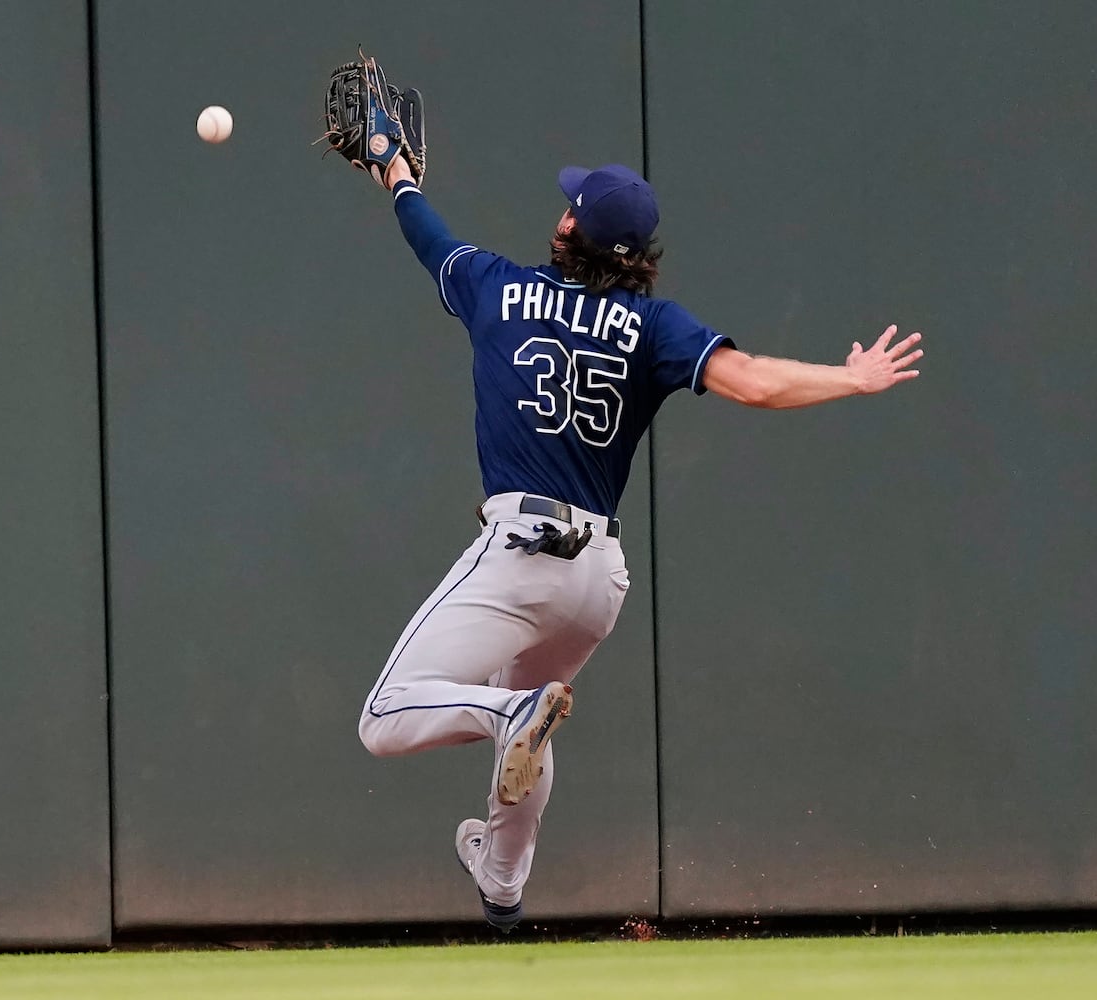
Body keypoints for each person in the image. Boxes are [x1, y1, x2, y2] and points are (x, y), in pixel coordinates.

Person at [356, 155, 922, 932]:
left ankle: (509, 715)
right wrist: (851, 379)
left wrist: (396, 173)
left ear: (569, 228)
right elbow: (755, 382)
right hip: (596, 578)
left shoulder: (494, 286)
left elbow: (429, 236)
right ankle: (502, 881)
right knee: (530, 714)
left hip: (521, 549)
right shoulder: (653, 328)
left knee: (387, 716)